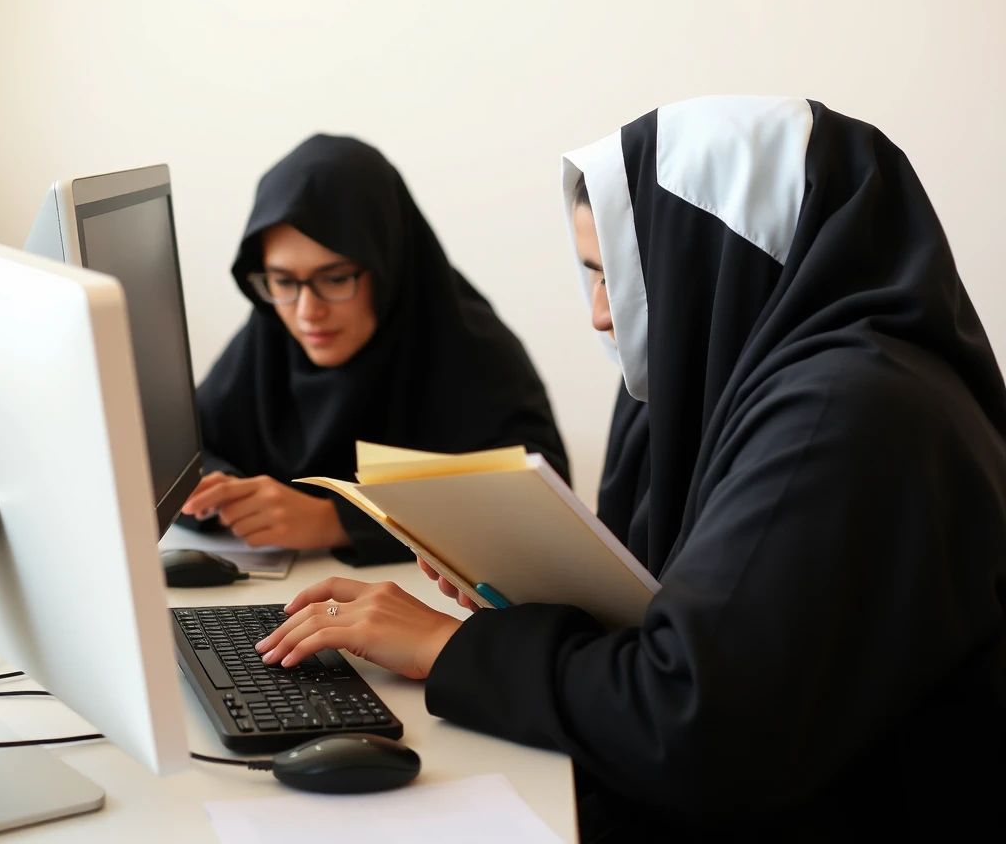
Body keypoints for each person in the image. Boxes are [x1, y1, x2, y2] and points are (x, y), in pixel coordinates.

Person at [254, 98, 1006, 838]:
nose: (601, 314)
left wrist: (447, 647)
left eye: (623, 274)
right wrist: (524, 594)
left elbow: (697, 719)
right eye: (593, 274)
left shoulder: (849, 414)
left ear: (712, 257)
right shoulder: (729, 376)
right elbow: (687, 621)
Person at [179, 134, 569, 566]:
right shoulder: (269, 335)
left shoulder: (471, 349)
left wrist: (341, 520)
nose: (308, 312)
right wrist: (224, 496)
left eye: (335, 278)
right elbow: (184, 445)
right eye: (284, 281)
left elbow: (542, 508)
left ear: (388, 266)